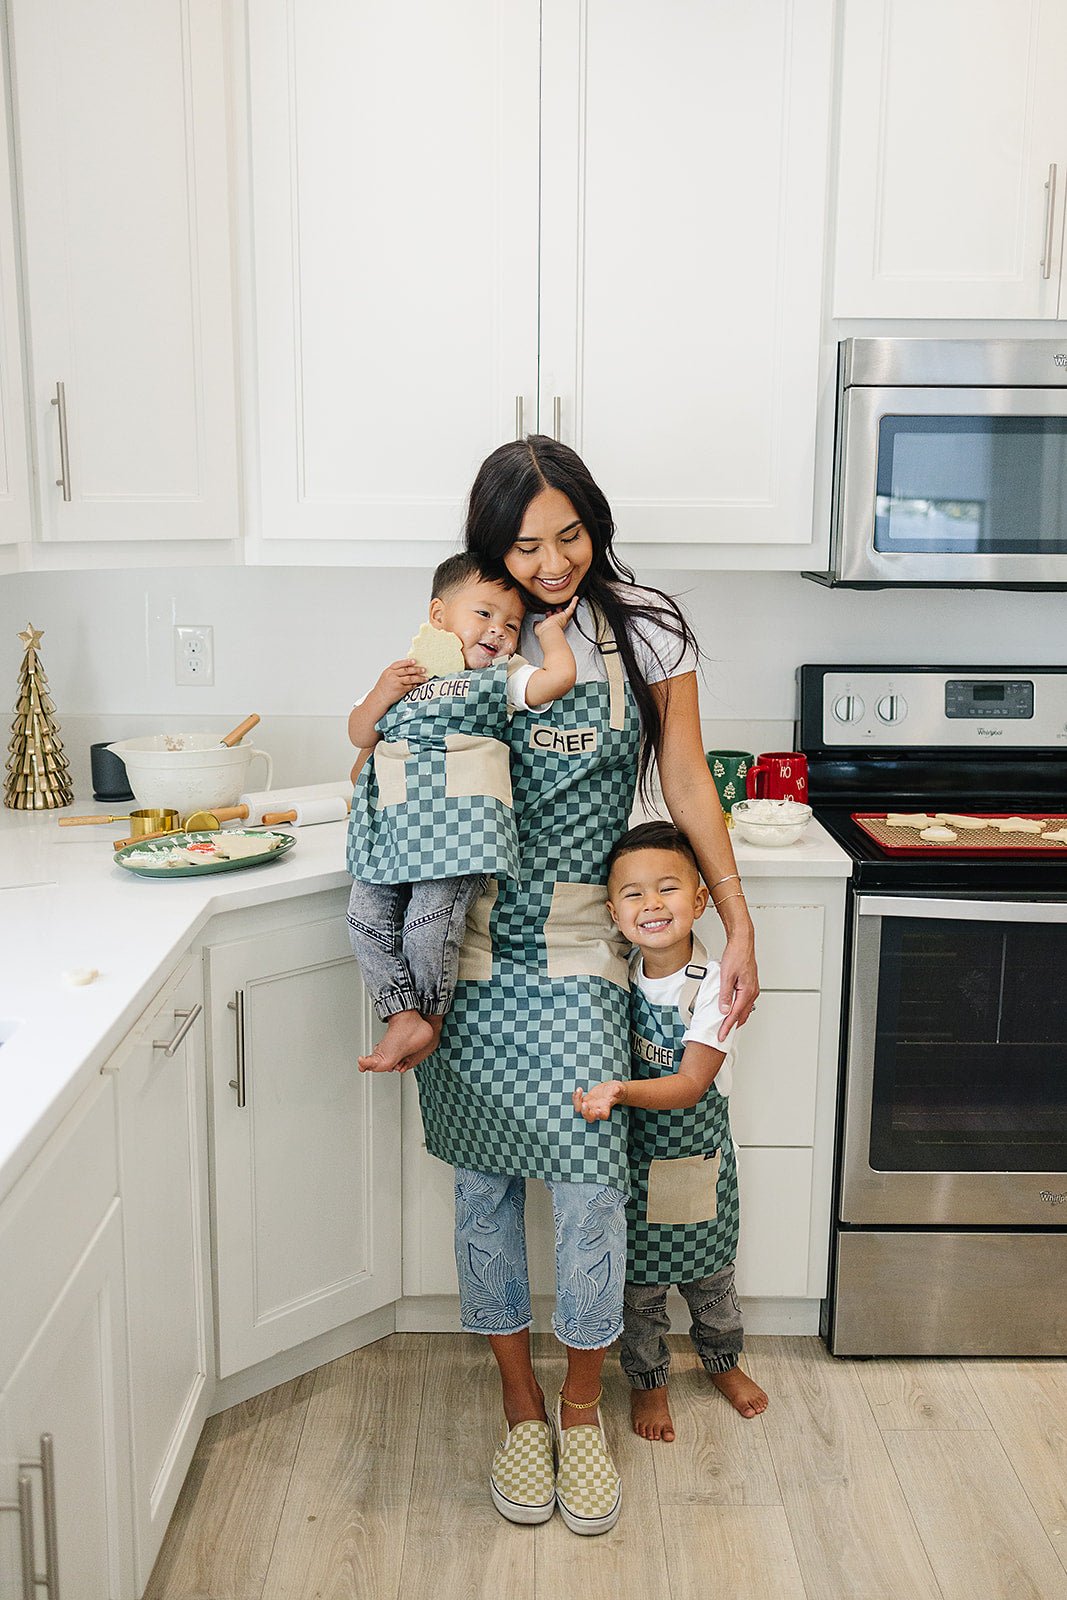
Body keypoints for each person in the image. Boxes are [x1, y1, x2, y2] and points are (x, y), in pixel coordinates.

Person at [407, 436, 759, 1535]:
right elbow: (400, 745)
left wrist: (736, 918)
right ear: (490, 550)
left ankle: (579, 1411)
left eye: (569, 534)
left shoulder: (645, 625)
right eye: (525, 543)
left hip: (580, 950)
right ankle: (518, 1406)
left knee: (596, 1191)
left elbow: (688, 774)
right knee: (484, 1193)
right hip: (470, 945)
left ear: (594, 525)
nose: (552, 561)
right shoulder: (470, 623)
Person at [573, 820, 768, 1444]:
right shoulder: (618, 975)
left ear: (701, 897)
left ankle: (724, 1364)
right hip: (635, 1162)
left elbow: (687, 1085)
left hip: (693, 1164)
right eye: (632, 894)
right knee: (642, 1292)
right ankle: (648, 1382)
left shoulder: (715, 988)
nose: (651, 904)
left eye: (667, 888)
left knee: (710, 1280)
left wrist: (621, 1091)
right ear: (612, 911)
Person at [346, 552, 578, 1072]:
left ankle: (425, 1017)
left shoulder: (503, 674)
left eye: (512, 624)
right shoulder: (405, 674)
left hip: (462, 829)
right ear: (438, 616)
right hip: (394, 825)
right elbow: (360, 733)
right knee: (364, 919)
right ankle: (401, 1013)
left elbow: (555, 681)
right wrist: (384, 691)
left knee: (428, 923)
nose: (499, 631)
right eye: (484, 614)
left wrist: (554, 636)